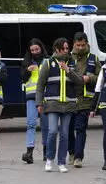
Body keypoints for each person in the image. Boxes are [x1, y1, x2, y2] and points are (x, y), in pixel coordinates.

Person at [36, 37, 83, 173]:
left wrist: (68, 70)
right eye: (64, 48)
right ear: (57, 49)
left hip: (69, 104)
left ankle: (61, 162)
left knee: (64, 134)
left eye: (67, 48)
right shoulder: (49, 63)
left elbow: (80, 81)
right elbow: (40, 84)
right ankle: (50, 159)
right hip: (52, 103)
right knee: (52, 132)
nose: (66, 51)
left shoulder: (72, 63)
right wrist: (39, 102)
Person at [67, 32, 101, 168]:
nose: (80, 48)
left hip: (85, 99)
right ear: (74, 44)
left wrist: (90, 78)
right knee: (68, 128)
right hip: (69, 98)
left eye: (83, 45)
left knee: (80, 128)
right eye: (78, 45)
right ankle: (72, 152)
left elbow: (101, 77)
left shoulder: (93, 58)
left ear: (87, 43)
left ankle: (79, 157)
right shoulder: (68, 58)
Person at [21, 38, 49, 164]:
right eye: (32, 50)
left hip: (45, 96)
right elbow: (22, 78)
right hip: (31, 96)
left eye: (36, 49)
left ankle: (46, 151)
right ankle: (29, 152)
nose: (35, 52)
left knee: (45, 125)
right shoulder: (27, 62)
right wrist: (27, 70)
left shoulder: (47, 60)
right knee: (31, 124)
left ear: (41, 48)